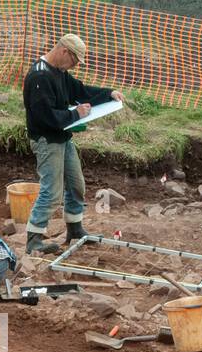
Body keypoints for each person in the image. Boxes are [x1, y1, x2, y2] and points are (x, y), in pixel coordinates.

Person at [22, 34, 125, 255]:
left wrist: (108, 94)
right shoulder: (40, 77)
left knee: (76, 184)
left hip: (62, 137)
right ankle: (34, 240)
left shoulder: (59, 72)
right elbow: (46, 117)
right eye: (75, 60)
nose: (75, 66)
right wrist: (76, 114)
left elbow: (79, 91)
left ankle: (75, 230)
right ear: (64, 52)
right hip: (47, 141)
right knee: (52, 192)